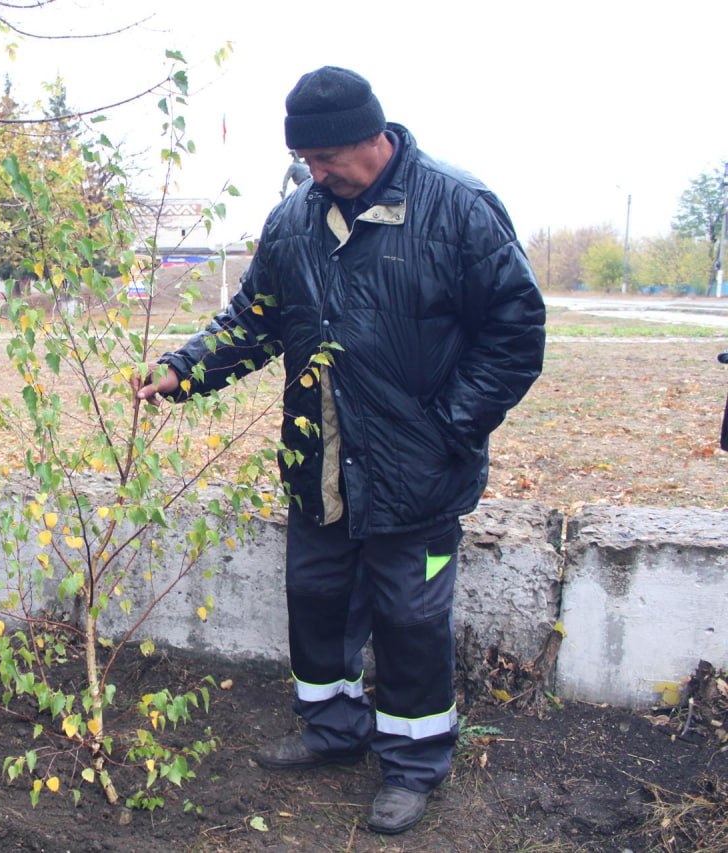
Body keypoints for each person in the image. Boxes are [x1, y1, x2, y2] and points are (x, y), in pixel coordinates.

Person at [136, 66, 545, 835]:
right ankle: (332, 729)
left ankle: (414, 761)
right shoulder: (295, 221)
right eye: (307, 161)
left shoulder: (458, 208)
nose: (314, 173)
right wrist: (183, 368)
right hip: (317, 462)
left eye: (324, 159)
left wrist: (448, 427)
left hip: (417, 474)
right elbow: (252, 320)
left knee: (410, 619)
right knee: (317, 601)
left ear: (370, 138)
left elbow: (515, 334)